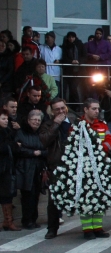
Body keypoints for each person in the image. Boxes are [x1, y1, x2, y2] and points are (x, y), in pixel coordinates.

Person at [77, 99, 111, 239]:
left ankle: (98, 228)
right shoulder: (79, 125)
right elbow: (74, 144)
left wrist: (99, 149)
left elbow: (110, 141)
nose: (97, 111)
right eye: (93, 109)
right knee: (86, 198)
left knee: (100, 196)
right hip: (85, 167)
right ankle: (87, 229)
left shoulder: (102, 125)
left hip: (100, 165)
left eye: (98, 109)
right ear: (86, 109)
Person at [39, 98, 71, 239]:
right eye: (57, 109)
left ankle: (89, 228)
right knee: (53, 200)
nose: (60, 111)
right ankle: (52, 228)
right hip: (56, 165)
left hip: (73, 164)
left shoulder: (74, 122)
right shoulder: (47, 124)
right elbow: (44, 140)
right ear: (52, 111)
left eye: (62, 108)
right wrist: (56, 124)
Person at [15, 110, 47, 229]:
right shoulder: (21, 132)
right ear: (28, 120)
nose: (36, 122)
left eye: (39, 120)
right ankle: (27, 220)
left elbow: (46, 149)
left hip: (38, 168)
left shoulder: (41, 134)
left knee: (36, 195)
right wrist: (33, 153)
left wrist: (40, 153)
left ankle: (33, 219)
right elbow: (17, 149)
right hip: (25, 168)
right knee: (27, 195)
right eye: (34, 119)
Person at [0, 112, 18, 231]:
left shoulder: (8, 132)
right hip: (2, 167)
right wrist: (12, 145)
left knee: (7, 195)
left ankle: (8, 221)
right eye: (3, 119)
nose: (6, 121)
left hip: (7, 168)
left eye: (7, 119)